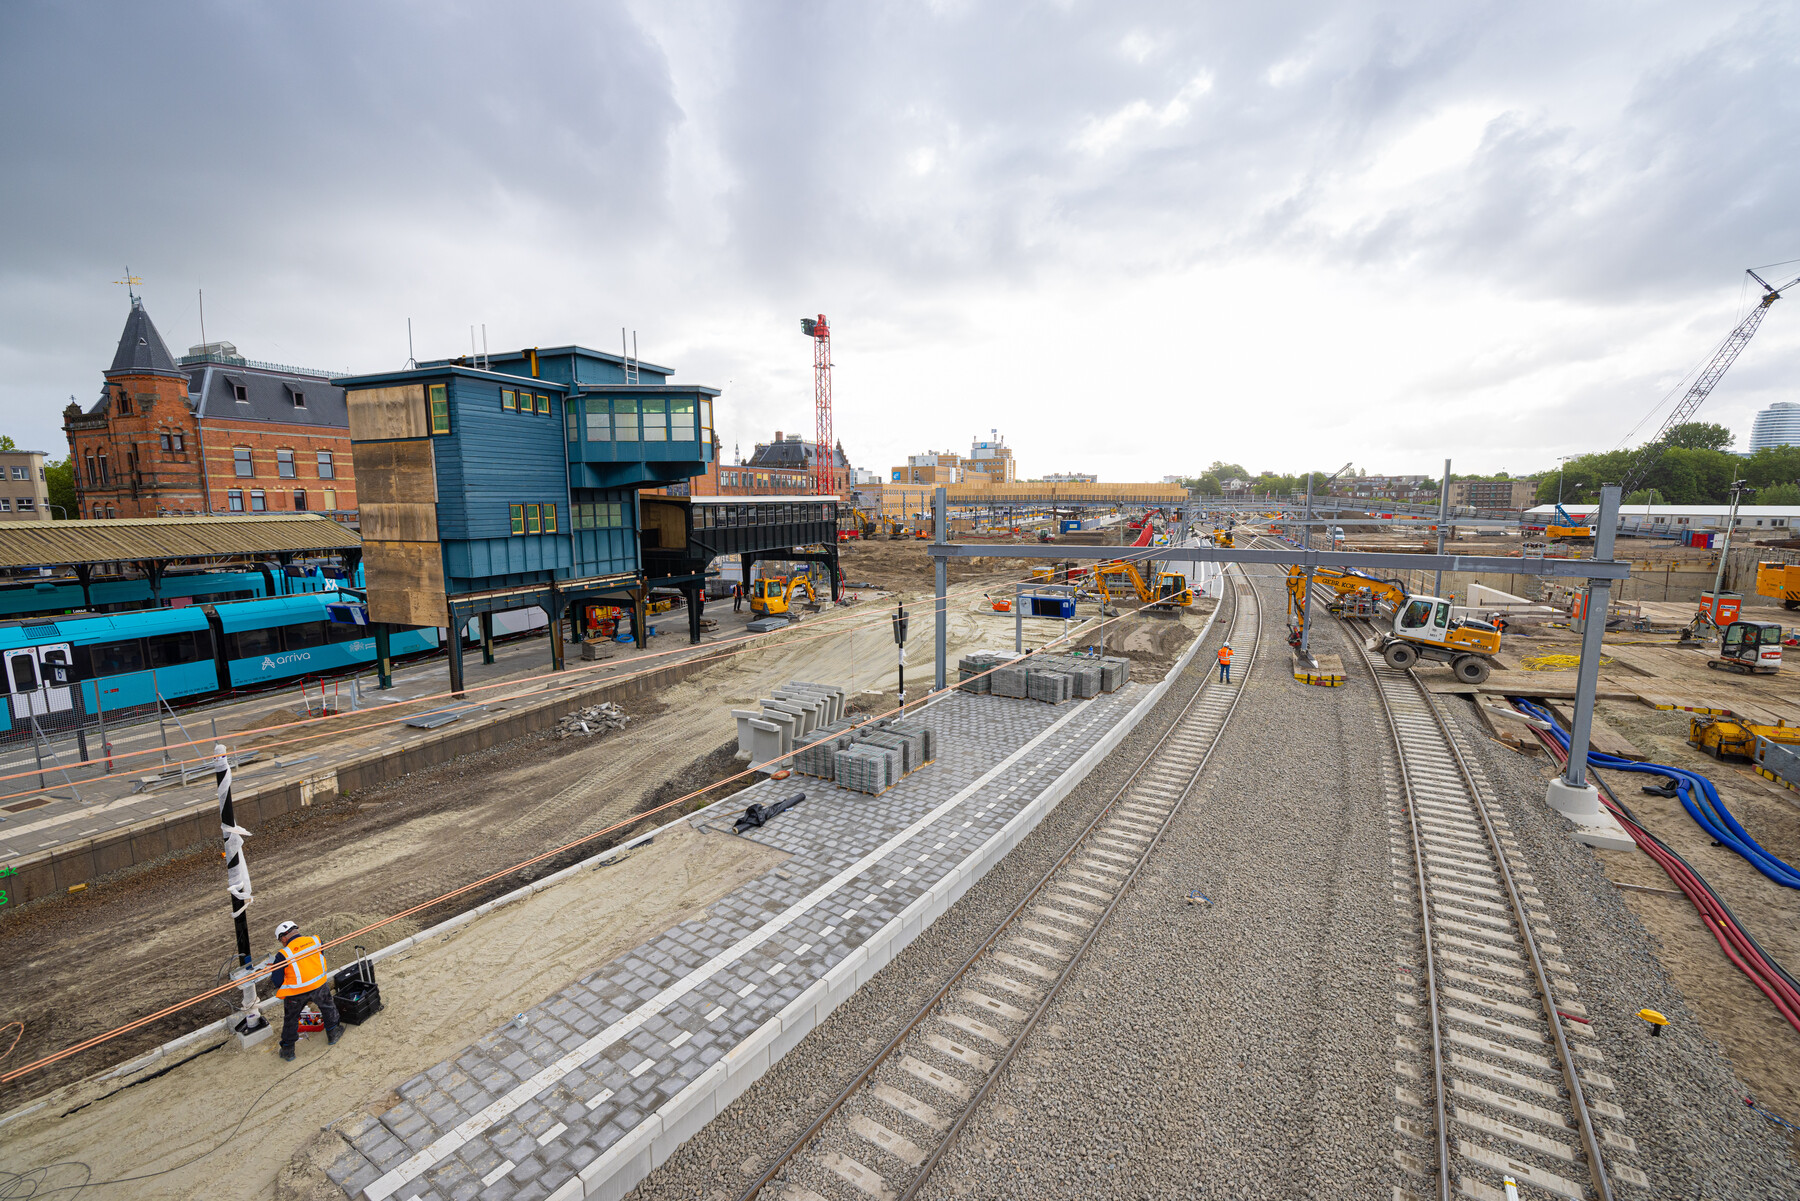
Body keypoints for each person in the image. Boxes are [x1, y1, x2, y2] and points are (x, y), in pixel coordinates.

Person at [266, 920, 343, 1062]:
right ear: (297, 929)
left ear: (283, 938)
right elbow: (319, 956)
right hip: (318, 984)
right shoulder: (315, 940)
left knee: (291, 1019)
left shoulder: (283, 954)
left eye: (280, 940)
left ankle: (288, 1050)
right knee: (327, 1007)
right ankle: (333, 1033)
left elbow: (276, 980)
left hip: (296, 992)